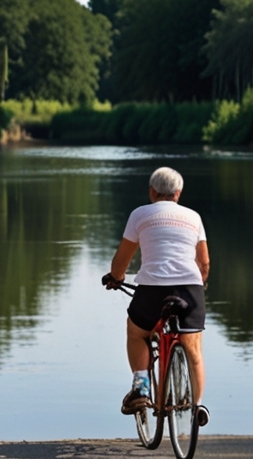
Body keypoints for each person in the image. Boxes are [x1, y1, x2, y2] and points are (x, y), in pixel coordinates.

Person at [102, 166, 210, 426]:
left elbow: (122, 259)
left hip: (152, 290)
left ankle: (141, 388)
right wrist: (199, 285)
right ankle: (197, 406)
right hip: (189, 290)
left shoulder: (140, 214)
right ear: (178, 193)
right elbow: (204, 263)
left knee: (137, 332)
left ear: (152, 191)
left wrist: (116, 278)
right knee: (192, 347)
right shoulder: (193, 217)